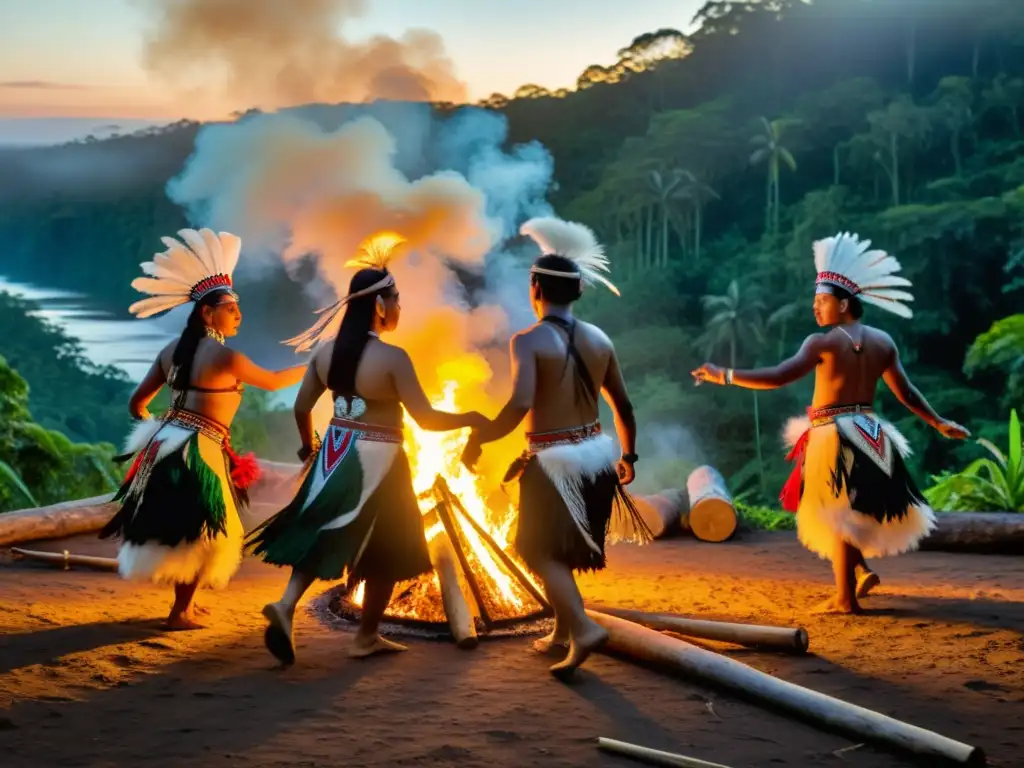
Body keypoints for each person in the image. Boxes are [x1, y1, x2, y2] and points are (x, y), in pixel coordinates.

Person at [692, 232, 969, 614]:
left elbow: (777, 377)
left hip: (834, 435)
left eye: (821, 301)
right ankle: (858, 575)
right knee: (852, 510)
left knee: (837, 513)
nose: (815, 308)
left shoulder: (821, 343)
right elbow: (905, 392)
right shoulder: (883, 341)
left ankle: (844, 598)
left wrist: (723, 374)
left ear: (843, 303)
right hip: (872, 432)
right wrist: (938, 422)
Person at [248, 233, 486, 665]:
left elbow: (302, 407)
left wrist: (309, 449)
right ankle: (365, 637)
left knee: (323, 529)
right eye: (396, 299)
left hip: (334, 454)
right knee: (390, 546)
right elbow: (427, 420)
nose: (399, 308)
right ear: (379, 305)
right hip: (382, 461)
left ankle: (286, 605)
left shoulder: (324, 353)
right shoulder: (393, 359)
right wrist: (471, 418)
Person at [461, 217, 651, 680]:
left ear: (535, 288)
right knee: (562, 550)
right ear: (577, 292)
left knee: (537, 549)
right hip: (596, 461)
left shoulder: (527, 341)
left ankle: (582, 627)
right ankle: (562, 635)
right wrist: (628, 456)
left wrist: (478, 439)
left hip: (552, 464)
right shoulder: (600, 340)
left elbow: (519, 404)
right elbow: (623, 406)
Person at [100, 228, 307, 630]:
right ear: (207, 313)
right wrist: (317, 365)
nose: (238, 315)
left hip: (167, 444)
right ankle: (180, 612)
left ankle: (186, 606)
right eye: (231, 309)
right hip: (201, 449)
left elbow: (136, 404)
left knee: (188, 525)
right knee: (210, 530)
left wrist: (159, 433)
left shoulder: (169, 352)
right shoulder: (226, 358)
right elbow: (277, 381)